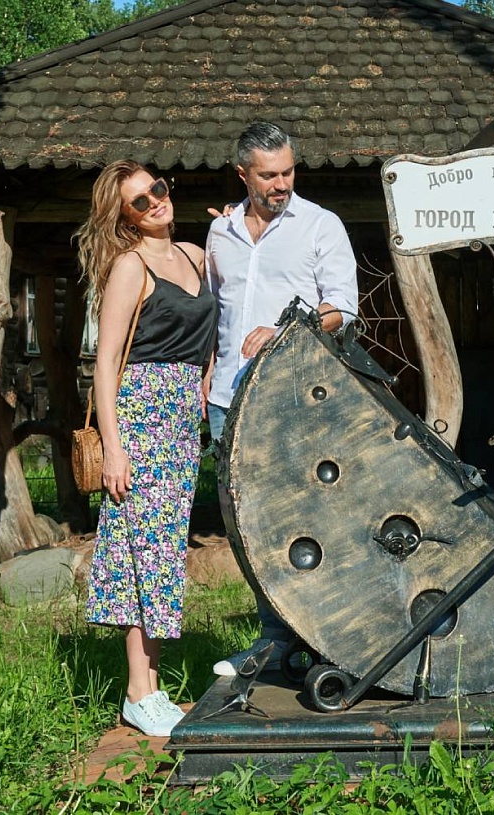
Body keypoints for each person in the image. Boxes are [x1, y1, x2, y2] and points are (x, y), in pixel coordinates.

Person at [204, 122, 358, 676]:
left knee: (308, 518)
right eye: (268, 175)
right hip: (226, 399)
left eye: (288, 172)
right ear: (242, 175)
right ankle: (275, 641)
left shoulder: (320, 225)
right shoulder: (220, 232)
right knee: (248, 526)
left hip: (295, 398)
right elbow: (216, 311)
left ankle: (328, 638)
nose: (282, 184)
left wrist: (284, 330)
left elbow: (343, 308)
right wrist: (206, 376)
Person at [75, 160, 217, 737]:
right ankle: (139, 690)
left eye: (156, 188)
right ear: (124, 217)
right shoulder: (130, 267)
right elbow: (106, 362)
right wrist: (113, 447)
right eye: (139, 200)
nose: (155, 201)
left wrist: (206, 377)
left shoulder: (196, 255)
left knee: (163, 551)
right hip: (141, 414)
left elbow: (209, 330)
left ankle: (150, 688)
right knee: (143, 551)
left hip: (181, 418)